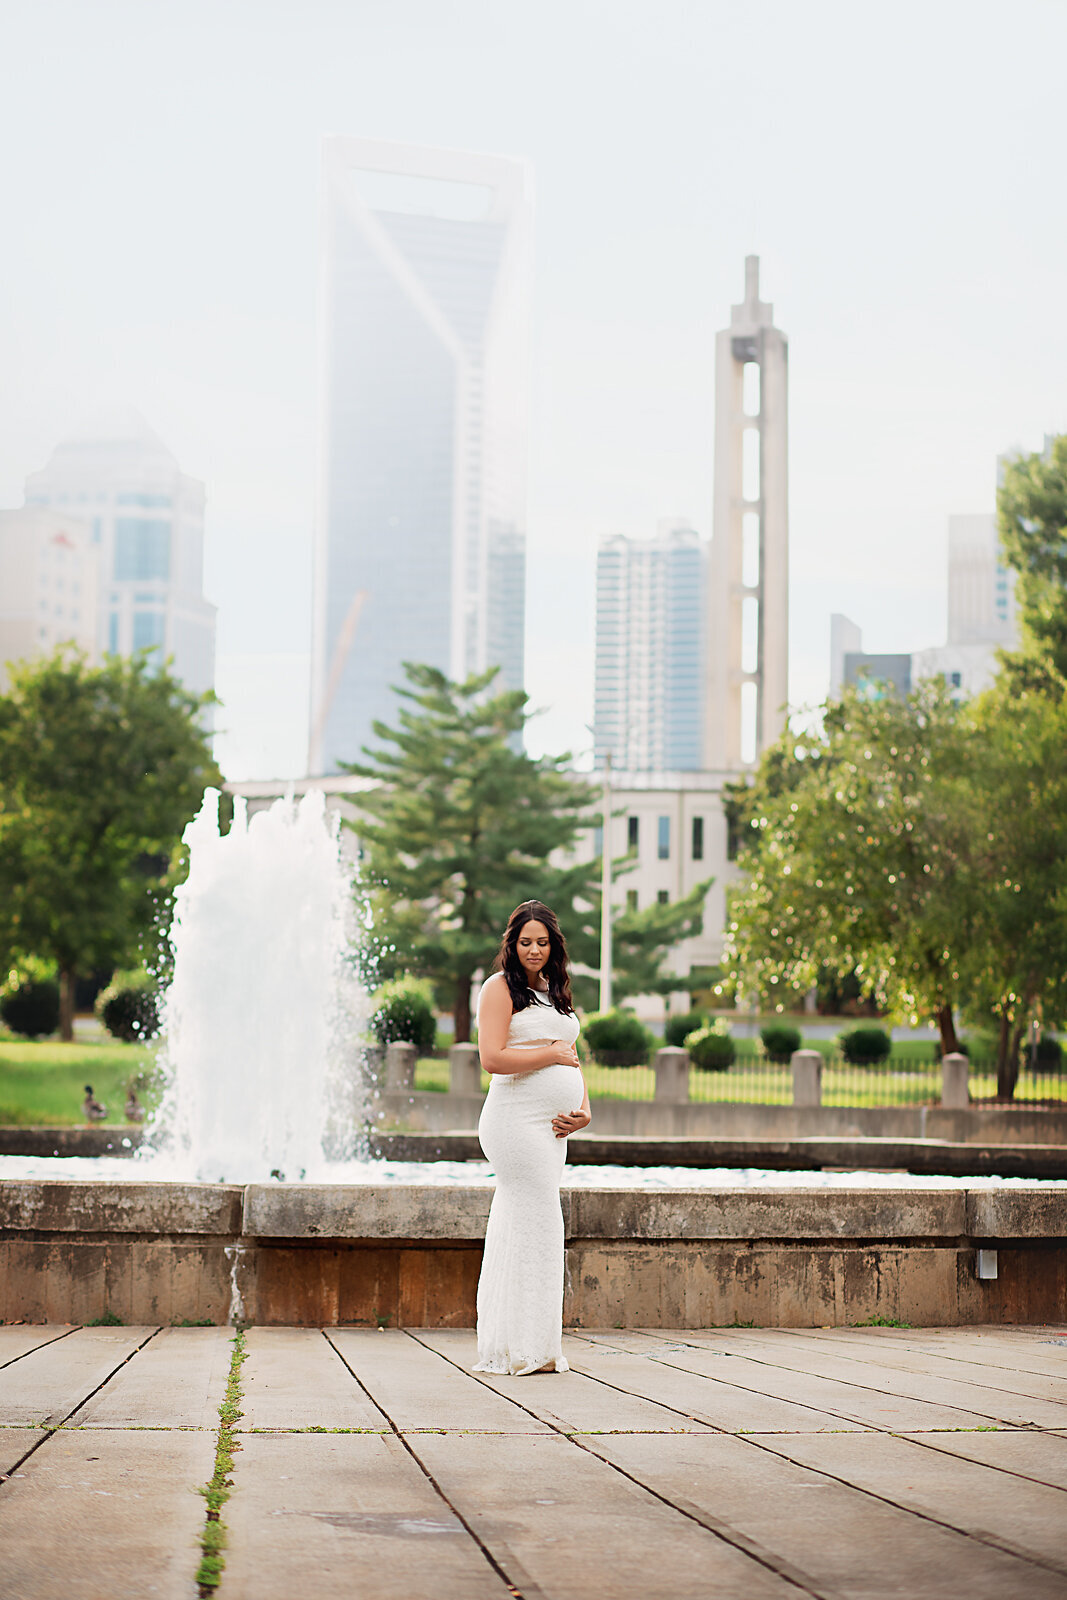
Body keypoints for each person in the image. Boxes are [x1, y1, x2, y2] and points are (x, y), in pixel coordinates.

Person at [473, 899, 591, 1375]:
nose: (534, 950)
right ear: (512, 943)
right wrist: (548, 1053)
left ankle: (528, 1345)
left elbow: (574, 1057)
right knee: (539, 1220)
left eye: (542, 942)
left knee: (534, 1227)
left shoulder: (556, 990)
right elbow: (493, 1059)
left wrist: (584, 1112)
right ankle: (524, 1349)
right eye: (526, 942)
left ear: (553, 945)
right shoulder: (499, 988)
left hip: (552, 1130)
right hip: (513, 1123)